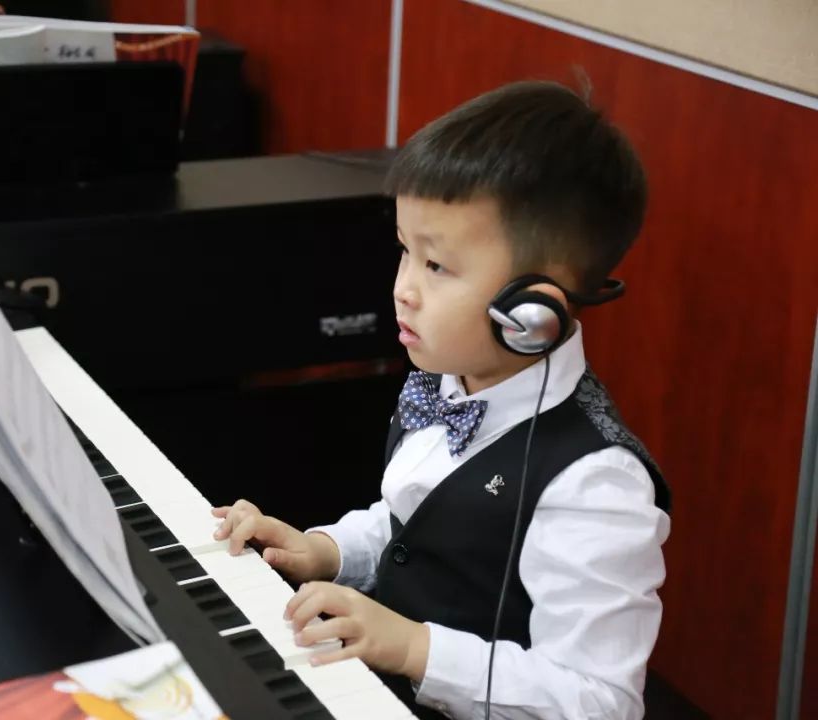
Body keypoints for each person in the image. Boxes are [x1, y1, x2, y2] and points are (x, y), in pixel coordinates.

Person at [212, 80, 672, 719]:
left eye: (437, 266)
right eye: (406, 251)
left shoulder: (595, 483)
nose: (403, 288)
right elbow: (411, 521)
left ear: (532, 312)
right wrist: (326, 552)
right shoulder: (447, 379)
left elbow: (600, 701)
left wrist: (414, 648)